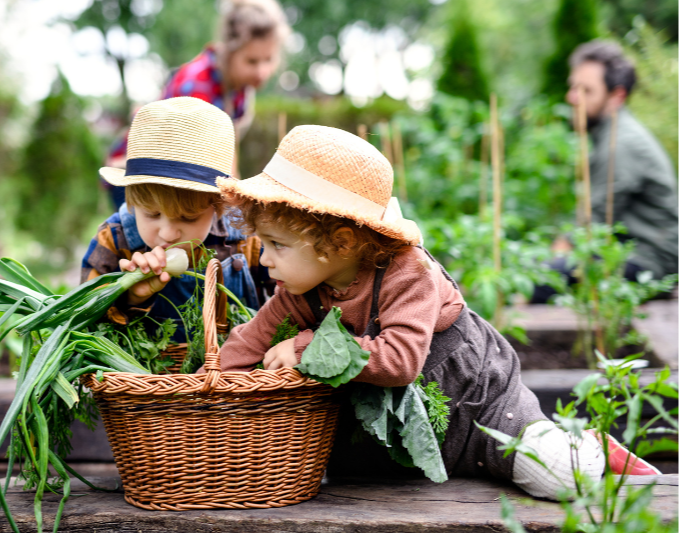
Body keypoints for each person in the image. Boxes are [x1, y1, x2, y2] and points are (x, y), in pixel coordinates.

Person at [214, 125, 658, 500]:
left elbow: (402, 361)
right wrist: (210, 395)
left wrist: (308, 345)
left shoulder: (410, 272)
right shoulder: (299, 286)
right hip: (399, 431)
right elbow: (249, 340)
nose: (264, 259)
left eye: (277, 246)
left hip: (478, 406)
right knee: (357, 487)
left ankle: (587, 446)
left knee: (558, 477)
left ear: (342, 243)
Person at [81, 97, 269, 341]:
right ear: (132, 201)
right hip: (146, 379)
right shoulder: (114, 241)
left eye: (188, 218)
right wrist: (131, 295)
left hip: (234, 377)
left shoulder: (246, 238)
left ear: (218, 206)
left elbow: (291, 302)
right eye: (152, 214)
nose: (168, 234)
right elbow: (84, 324)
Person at [103, 0, 289, 208]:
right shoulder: (196, 84)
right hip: (138, 174)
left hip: (183, 176)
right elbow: (193, 159)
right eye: (251, 61)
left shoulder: (239, 89)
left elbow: (228, 149)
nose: (262, 71)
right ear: (230, 51)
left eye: (268, 60)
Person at [532, 40, 679, 303]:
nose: (572, 98)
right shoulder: (612, 132)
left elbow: (592, 223)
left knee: (538, 282)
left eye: (586, 90)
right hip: (629, 252)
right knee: (536, 267)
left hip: (650, 263)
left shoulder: (621, 144)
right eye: (572, 87)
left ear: (617, 96)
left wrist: (546, 266)